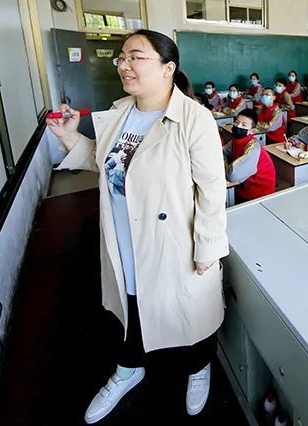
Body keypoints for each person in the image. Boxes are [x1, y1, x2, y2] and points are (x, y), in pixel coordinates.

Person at [49, 30, 227, 422]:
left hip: (173, 238)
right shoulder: (119, 112)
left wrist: (208, 247)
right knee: (130, 303)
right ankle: (128, 368)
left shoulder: (193, 118)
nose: (124, 65)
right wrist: (69, 137)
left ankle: (199, 367)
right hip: (123, 232)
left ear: (168, 68)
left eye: (136, 57)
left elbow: (212, 188)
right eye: (121, 58)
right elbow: (106, 163)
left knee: (188, 310)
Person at [223, 109, 276, 202]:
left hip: (259, 194)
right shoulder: (235, 141)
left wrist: (225, 163)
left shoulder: (253, 147)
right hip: (244, 186)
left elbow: (232, 175)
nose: (238, 126)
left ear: (252, 131)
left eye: (244, 125)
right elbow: (223, 152)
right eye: (236, 122)